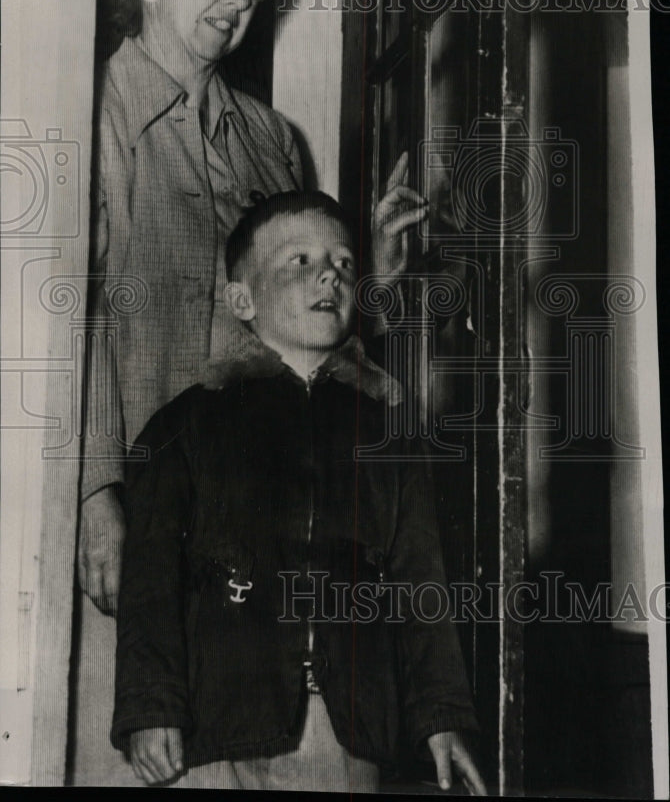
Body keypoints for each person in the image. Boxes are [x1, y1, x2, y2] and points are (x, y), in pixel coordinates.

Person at [74, 0, 426, 784]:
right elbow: (62, 324)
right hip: (148, 525)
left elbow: (296, 340)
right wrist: (93, 495)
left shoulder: (273, 142)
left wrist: (374, 281)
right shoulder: (88, 114)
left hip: (271, 539)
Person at [111, 191, 487, 794]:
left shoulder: (388, 430)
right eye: (299, 260)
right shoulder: (185, 425)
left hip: (341, 729)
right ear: (242, 298)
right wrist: (150, 706)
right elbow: (150, 581)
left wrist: (440, 717)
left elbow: (423, 583)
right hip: (213, 723)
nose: (329, 274)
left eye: (342, 262)